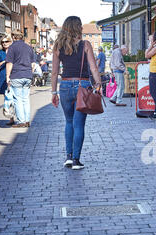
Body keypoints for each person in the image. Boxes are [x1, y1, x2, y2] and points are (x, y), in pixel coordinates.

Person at [51, 16, 101, 170]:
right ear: (78, 27)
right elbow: (93, 68)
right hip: (82, 85)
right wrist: (98, 84)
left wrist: (54, 92)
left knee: (69, 122)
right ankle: (76, 160)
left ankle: (68, 157)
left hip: (65, 85)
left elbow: (54, 73)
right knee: (78, 124)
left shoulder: (58, 46)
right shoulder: (86, 44)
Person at [6, 30, 36, 128]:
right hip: (27, 75)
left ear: (13, 37)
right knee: (25, 99)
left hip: (16, 75)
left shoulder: (12, 48)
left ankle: (21, 121)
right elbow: (33, 64)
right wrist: (29, 73)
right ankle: (27, 120)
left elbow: (9, 63)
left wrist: (7, 76)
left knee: (18, 99)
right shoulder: (29, 47)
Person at [0, 35, 13, 125]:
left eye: (6, 41)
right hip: (3, 77)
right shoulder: (0, 53)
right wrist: (3, 62)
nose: (4, 43)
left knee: (15, 97)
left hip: (14, 76)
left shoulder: (14, 51)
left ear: (10, 42)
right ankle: (11, 118)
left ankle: (18, 117)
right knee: (7, 97)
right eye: (3, 42)